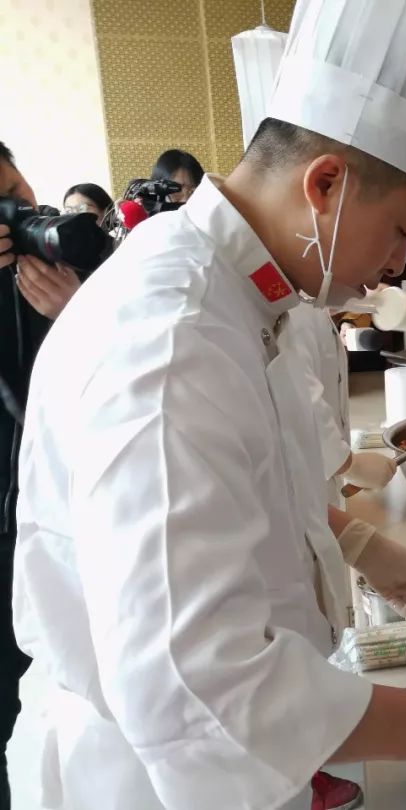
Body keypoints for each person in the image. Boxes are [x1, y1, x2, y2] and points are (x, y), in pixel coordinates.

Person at [11, 2, 406, 808]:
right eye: (399, 228)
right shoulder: (171, 341)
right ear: (325, 183)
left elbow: (236, 490)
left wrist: (353, 538)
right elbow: (196, 687)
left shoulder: (240, 296)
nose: (397, 265)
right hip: (151, 780)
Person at [1, 141, 103, 810]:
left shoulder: (76, 259)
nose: (10, 215)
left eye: (13, 190)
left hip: (63, 528)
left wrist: (77, 314)